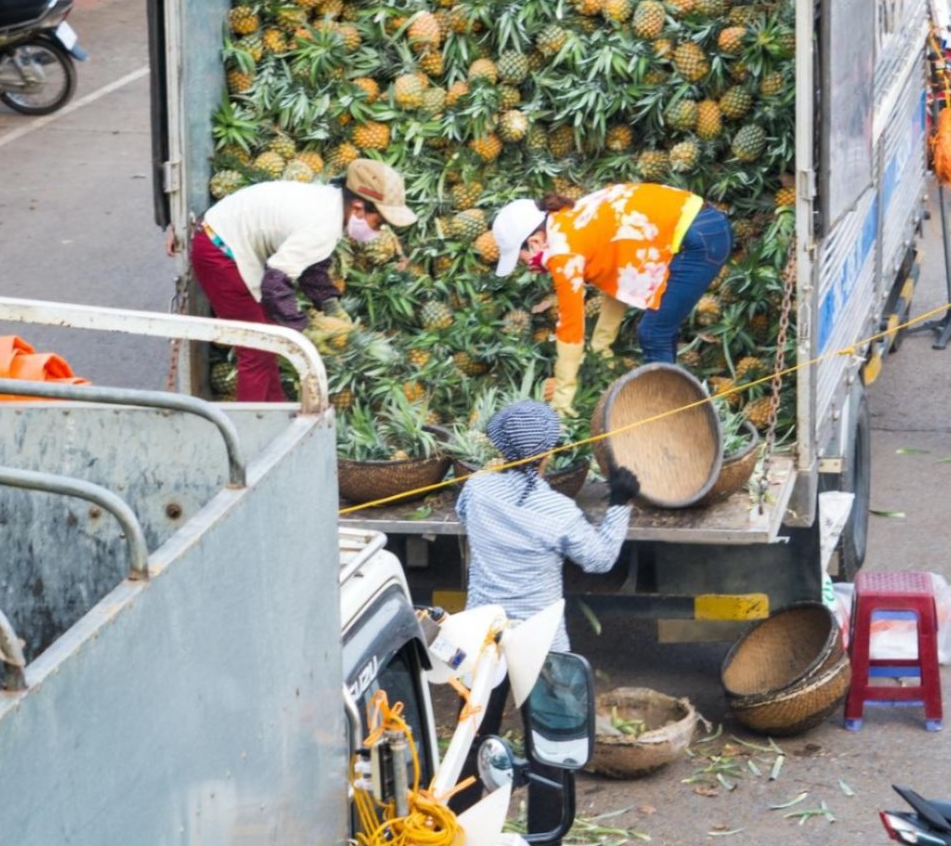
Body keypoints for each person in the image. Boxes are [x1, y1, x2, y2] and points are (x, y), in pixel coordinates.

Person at [452, 399, 638, 826]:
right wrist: (620, 503)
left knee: (474, 737)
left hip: (485, 638)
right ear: (548, 452)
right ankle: (545, 828)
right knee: (551, 743)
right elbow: (600, 559)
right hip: (542, 642)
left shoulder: (477, 491)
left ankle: (458, 823)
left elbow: (467, 518)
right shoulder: (557, 510)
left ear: (499, 447)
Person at [491, 184, 732, 416]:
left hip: (698, 241)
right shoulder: (572, 217)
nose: (526, 265)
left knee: (654, 333)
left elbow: (571, 327)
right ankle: (672, 405)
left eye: (521, 258)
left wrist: (563, 396)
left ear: (534, 242)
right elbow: (620, 276)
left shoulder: (564, 253)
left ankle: (669, 416)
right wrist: (601, 345)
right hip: (705, 224)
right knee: (657, 330)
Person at [189, 159, 415, 402]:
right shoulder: (322, 226)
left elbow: (312, 264)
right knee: (256, 350)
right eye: (378, 222)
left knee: (269, 342)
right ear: (358, 208)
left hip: (224, 239)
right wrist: (303, 332)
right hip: (219, 251)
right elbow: (275, 284)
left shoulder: (330, 204)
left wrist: (328, 303)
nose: (378, 231)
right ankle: (249, 428)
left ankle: (275, 411)